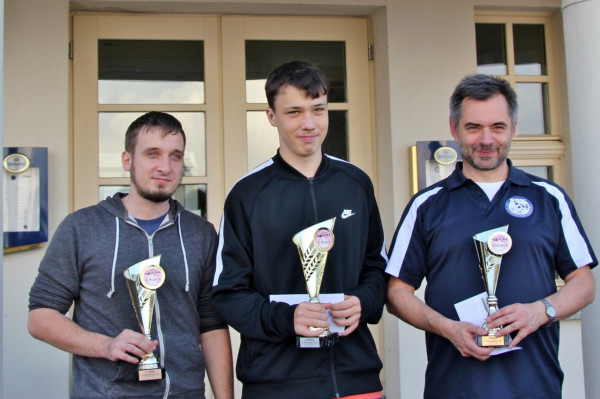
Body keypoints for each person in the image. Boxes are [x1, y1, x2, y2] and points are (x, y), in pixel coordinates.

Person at [386, 74, 597, 398]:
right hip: (453, 387)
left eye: (497, 127)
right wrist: (447, 328)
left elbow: (583, 284)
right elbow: (397, 292)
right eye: (473, 127)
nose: (486, 139)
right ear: (455, 129)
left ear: (513, 127)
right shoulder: (426, 205)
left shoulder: (549, 198)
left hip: (535, 387)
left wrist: (541, 310)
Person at [212, 60, 388, 399]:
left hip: (355, 378)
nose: (309, 124)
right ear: (271, 116)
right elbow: (228, 292)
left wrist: (362, 302)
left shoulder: (356, 183)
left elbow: (377, 268)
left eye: (318, 109)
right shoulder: (247, 194)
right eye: (294, 112)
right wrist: (285, 318)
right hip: (276, 383)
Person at [28, 111, 234, 399]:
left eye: (175, 156)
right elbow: (40, 317)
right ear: (128, 160)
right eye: (153, 154)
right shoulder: (82, 227)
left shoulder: (200, 233)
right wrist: (106, 346)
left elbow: (211, 325)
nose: (165, 166)